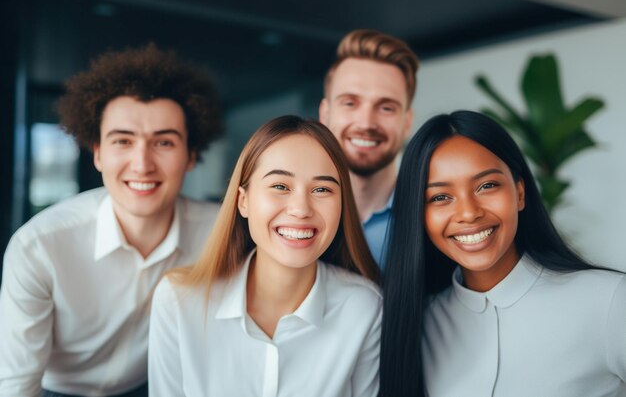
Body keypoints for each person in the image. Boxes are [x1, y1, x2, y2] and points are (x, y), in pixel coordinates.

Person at [0, 44, 223, 397]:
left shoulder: (221, 234)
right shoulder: (39, 247)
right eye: (123, 141)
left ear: (192, 155)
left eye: (163, 143)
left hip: (151, 386)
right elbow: (15, 386)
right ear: (98, 153)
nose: (142, 164)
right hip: (53, 390)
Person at [379, 111, 626, 397]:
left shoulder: (608, 301)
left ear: (520, 193)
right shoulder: (417, 325)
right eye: (440, 197)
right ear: (418, 215)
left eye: (487, 186)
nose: (469, 213)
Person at [149, 115, 382, 397]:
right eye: (280, 186)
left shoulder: (364, 307)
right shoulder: (178, 301)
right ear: (243, 201)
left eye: (322, 189)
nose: (300, 209)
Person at [319, 29, 419, 268]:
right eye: (350, 103)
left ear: (406, 122)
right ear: (325, 113)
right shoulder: (291, 217)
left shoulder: (431, 220)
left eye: (386, 107)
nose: (366, 123)